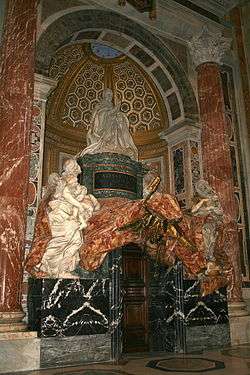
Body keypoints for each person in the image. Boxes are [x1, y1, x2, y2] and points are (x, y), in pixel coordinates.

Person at [77, 88, 138, 160]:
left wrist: (117, 113)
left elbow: (112, 114)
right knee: (110, 118)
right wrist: (115, 110)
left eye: (111, 95)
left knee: (120, 117)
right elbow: (99, 116)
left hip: (113, 127)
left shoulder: (111, 106)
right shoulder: (100, 105)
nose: (110, 96)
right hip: (101, 128)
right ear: (104, 95)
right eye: (108, 94)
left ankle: (119, 144)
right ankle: (106, 143)